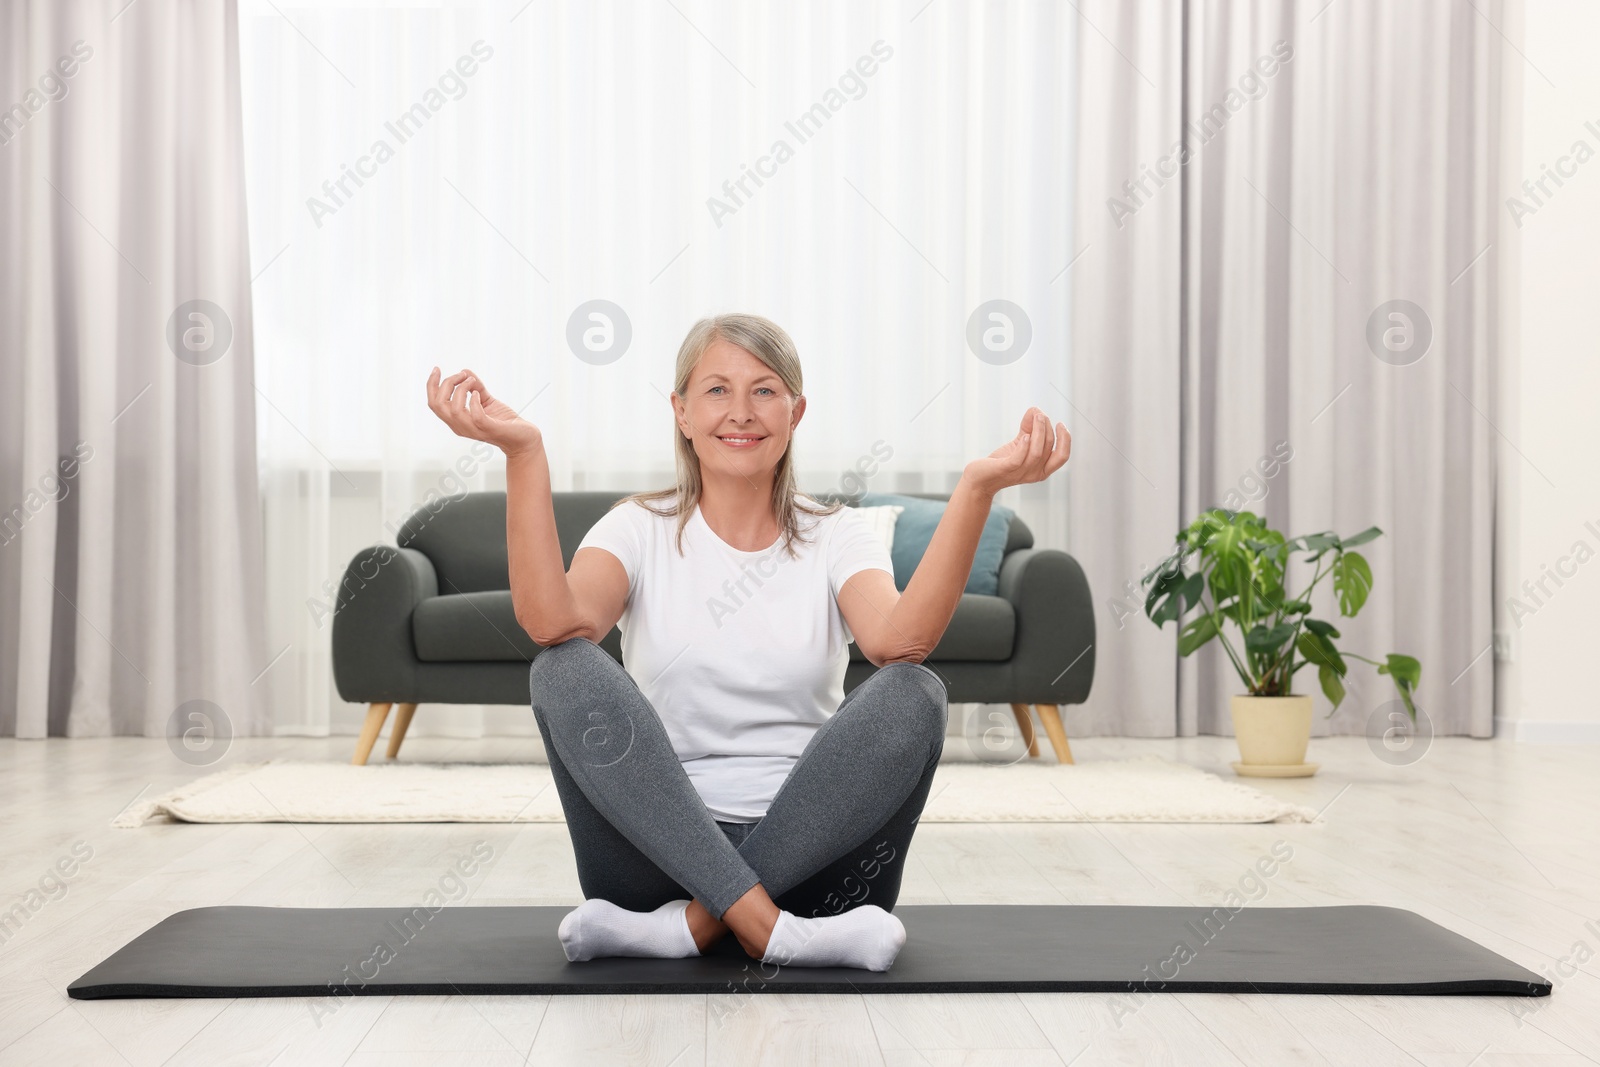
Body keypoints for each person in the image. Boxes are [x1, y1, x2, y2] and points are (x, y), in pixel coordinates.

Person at [425, 312, 1069, 972]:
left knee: (915, 690)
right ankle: (766, 927)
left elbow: (901, 641)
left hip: (820, 875)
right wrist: (524, 453)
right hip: (652, 868)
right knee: (562, 668)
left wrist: (977, 487)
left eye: (764, 390)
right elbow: (551, 623)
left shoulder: (837, 534)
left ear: (796, 411)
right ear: (680, 410)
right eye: (716, 390)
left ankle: (695, 926)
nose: (741, 412)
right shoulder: (636, 527)